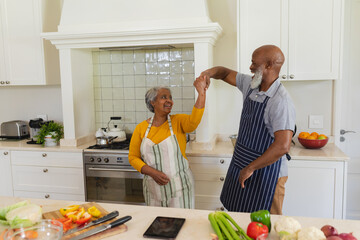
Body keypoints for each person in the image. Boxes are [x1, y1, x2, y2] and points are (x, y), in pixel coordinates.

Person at [199, 45, 296, 214]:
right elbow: (223, 72)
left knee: (268, 223)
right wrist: (207, 74)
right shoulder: (252, 85)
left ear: (268, 66)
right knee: (239, 215)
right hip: (242, 163)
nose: (250, 67)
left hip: (268, 174)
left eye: (254, 63)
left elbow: (282, 146)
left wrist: (250, 168)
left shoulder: (280, 101)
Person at [128, 77, 207, 208]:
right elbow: (133, 157)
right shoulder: (141, 128)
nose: (169, 101)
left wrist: (201, 94)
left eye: (170, 98)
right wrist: (152, 172)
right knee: (156, 224)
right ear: (152, 102)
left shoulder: (178, 121)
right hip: (154, 190)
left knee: (182, 222)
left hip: (180, 188)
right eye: (164, 97)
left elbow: (194, 121)